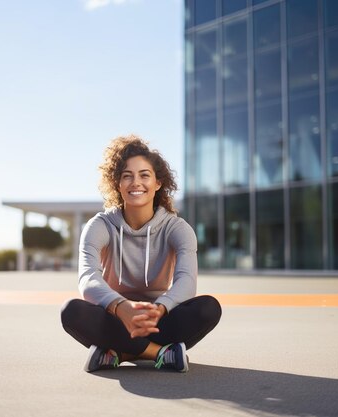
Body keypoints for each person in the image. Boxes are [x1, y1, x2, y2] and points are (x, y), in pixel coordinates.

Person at [60, 134, 222, 373]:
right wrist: (121, 307)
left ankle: (117, 352)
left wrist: (160, 309)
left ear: (158, 183)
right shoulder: (100, 225)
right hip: (114, 317)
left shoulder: (177, 228)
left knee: (209, 308)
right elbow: (88, 278)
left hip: (160, 318)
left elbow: (187, 281)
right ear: (117, 184)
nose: (136, 182)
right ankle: (160, 353)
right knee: (71, 311)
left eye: (144, 175)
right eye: (127, 176)